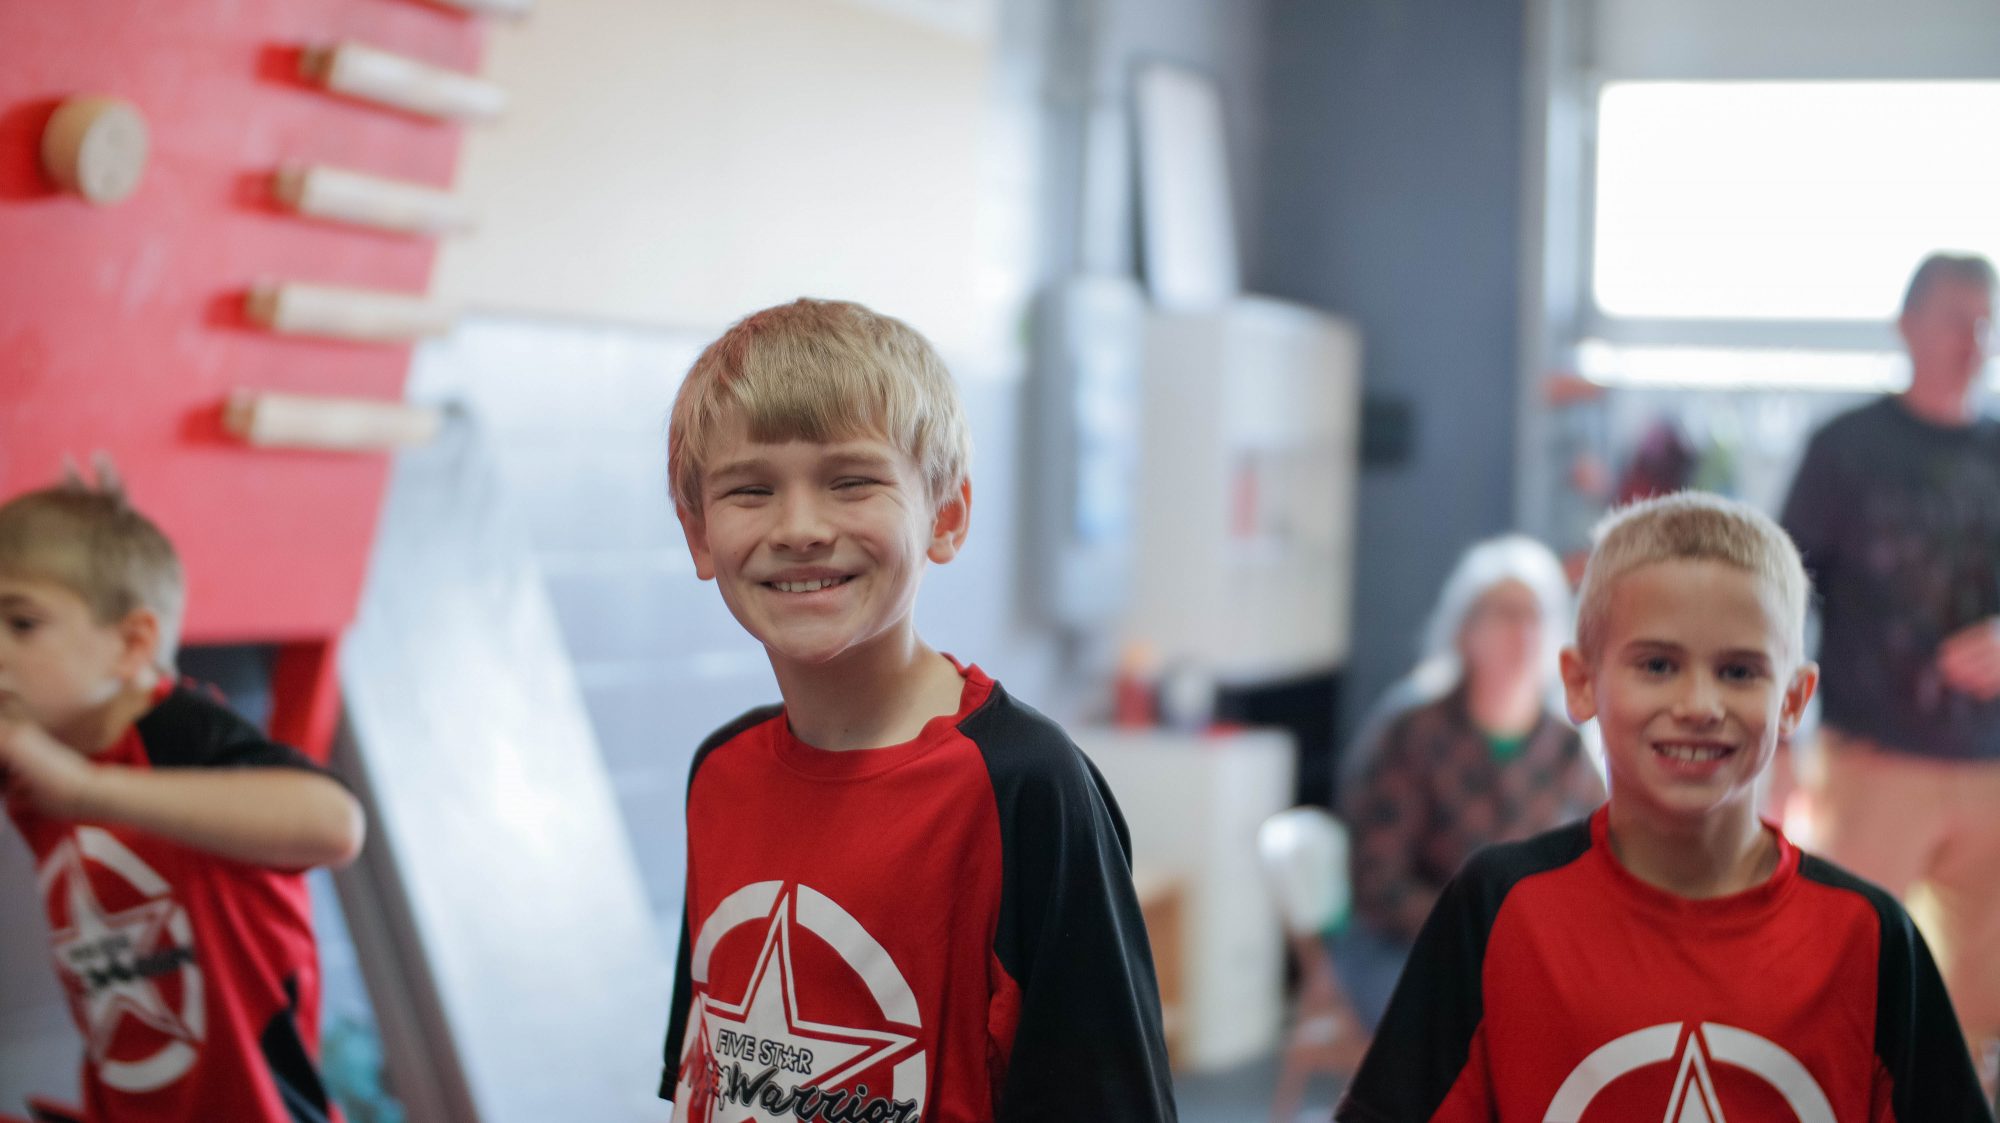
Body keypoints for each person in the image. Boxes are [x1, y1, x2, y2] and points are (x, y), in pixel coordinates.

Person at [657, 299, 1176, 1121]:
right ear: (697, 534)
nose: (800, 528)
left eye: (851, 481)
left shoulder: (1025, 786)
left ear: (946, 516)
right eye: (751, 489)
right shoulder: (719, 773)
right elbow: (711, 1079)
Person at [1335, 491, 1992, 1122]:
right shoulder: (1497, 909)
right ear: (1581, 682)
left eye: (1739, 671)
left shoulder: (1871, 940)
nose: (1698, 705)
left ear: (1794, 699)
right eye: (1657, 665)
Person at [0, 472, 365, 1122]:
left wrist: (89, 790)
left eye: (21, 623)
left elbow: (336, 823)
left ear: (133, 644)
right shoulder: (36, 758)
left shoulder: (173, 728)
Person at [1780, 251, 2000, 1083]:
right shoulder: (1845, 448)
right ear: (1906, 326)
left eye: (1985, 324)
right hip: (1873, 761)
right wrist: (1777, 743)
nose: (1972, 341)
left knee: (1980, 1007)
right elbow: (1782, 594)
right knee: (1844, 983)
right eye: (1954, 320)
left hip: (1991, 772)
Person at [1335, 534, 1602, 1028]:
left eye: (1536, 615)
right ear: (1465, 629)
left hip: (1525, 949)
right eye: (1505, 614)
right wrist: (1478, 931)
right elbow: (1377, 880)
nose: (1523, 631)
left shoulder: (1568, 745)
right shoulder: (1412, 731)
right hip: (1409, 944)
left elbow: (1596, 862)